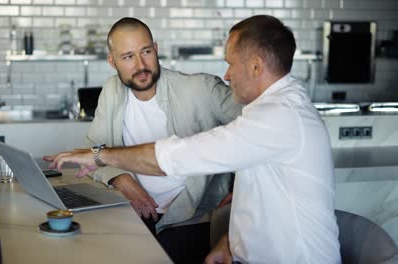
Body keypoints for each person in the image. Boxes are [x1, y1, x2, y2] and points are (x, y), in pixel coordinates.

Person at [45, 15, 341, 263]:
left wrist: (100, 155)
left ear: (254, 66)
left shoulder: (277, 116)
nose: (225, 75)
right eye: (128, 56)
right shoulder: (269, 111)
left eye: (231, 64)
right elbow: (263, 200)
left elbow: (176, 157)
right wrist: (231, 242)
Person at [79, 17, 242, 263]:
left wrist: (243, 187)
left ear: (156, 49)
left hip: (190, 217)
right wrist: (120, 178)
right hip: (132, 213)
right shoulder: (112, 91)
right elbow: (93, 152)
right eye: (128, 57)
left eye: (146, 52)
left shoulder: (200, 88)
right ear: (113, 62)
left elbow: (259, 128)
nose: (141, 65)